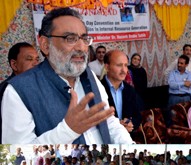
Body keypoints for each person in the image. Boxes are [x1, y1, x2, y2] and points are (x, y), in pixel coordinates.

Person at [1, 7, 133, 144]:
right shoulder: (18, 91)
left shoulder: (90, 76)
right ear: (45, 45)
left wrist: (130, 150)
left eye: (84, 38)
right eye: (70, 39)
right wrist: (68, 130)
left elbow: (108, 121)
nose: (81, 47)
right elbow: (15, 157)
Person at [0, 43, 39, 141]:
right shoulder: (8, 90)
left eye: (37, 59)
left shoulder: (35, 85)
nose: (35, 63)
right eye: (29, 59)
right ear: (14, 65)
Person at [101, 50, 142, 132]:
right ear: (107, 67)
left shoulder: (130, 90)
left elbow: (138, 116)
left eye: (126, 65)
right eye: (119, 65)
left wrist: (130, 123)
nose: (124, 70)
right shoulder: (97, 89)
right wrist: (117, 126)